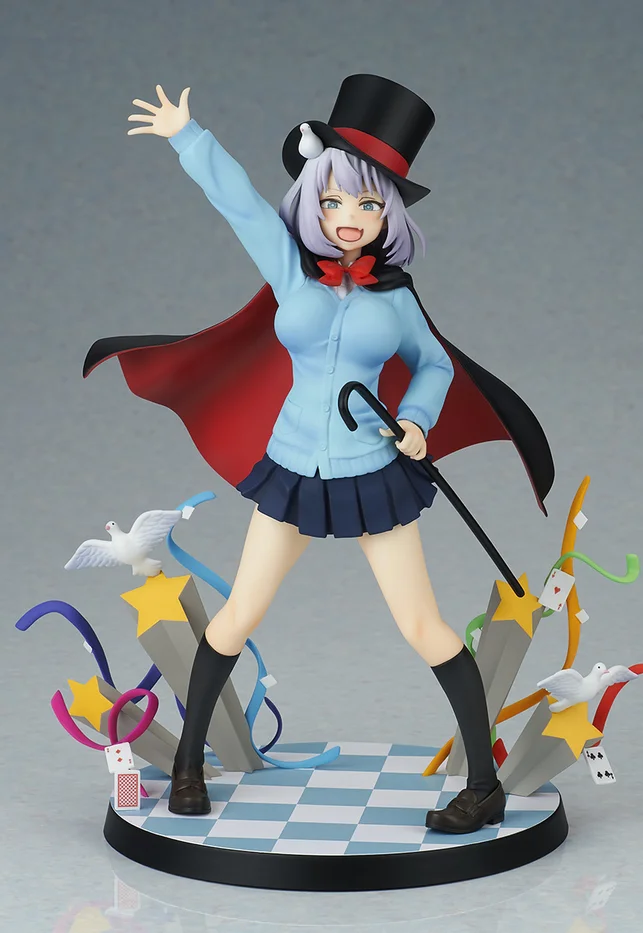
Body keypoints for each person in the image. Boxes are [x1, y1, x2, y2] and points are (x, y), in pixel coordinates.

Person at [85, 74, 555, 833]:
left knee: (424, 625)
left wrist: (417, 421)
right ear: (312, 200)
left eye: (368, 205)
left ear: (388, 214)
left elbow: (434, 366)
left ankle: (484, 783)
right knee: (239, 613)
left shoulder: (396, 297)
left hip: (373, 475)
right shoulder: (289, 267)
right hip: (295, 471)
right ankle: (188, 763)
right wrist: (188, 137)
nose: (348, 219)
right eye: (333, 201)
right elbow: (239, 203)